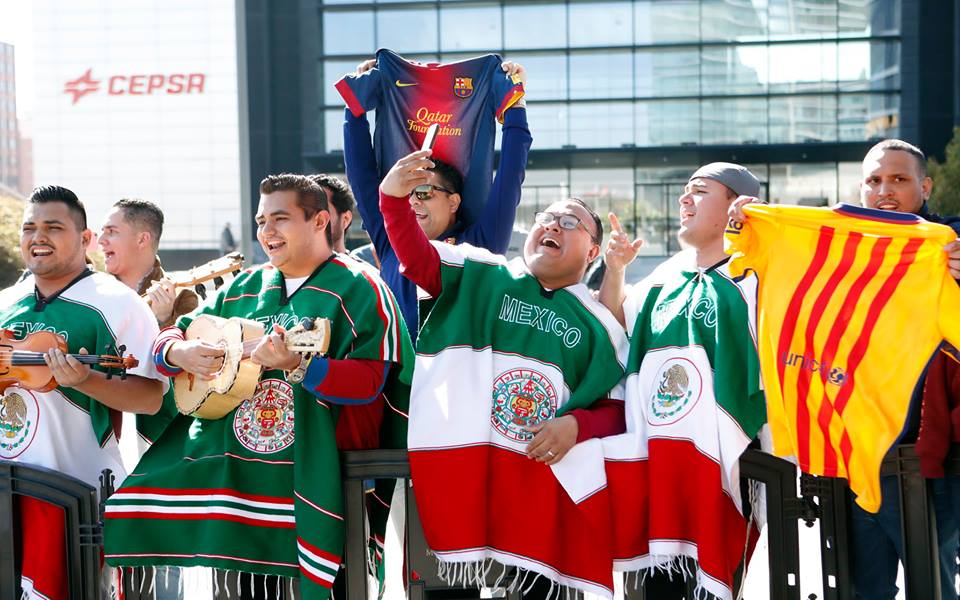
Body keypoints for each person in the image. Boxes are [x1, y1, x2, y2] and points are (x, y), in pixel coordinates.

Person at [102, 174, 412, 600]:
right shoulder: (247, 285)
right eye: (261, 220)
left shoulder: (360, 287)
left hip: (315, 475)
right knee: (128, 510)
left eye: (280, 219)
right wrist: (180, 354)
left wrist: (302, 368)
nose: (266, 231)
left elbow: (372, 382)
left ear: (321, 221)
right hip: (229, 473)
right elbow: (170, 340)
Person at [380, 150, 628, 598]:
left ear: (593, 250)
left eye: (569, 222)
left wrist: (577, 424)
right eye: (545, 217)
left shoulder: (603, 326)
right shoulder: (481, 271)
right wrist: (392, 202)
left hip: (544, 501)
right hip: (465, 483)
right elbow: (416, 260)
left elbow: (619, 409)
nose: (551, 225)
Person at [728, 139, 960, 600]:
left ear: (925, 186)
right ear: (861, 187)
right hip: (844, 453)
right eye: (874, 180)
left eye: (899, 179)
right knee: (858, 588)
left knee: (933, 586)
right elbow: (758, 268)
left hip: (924, 459)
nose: (885, 190)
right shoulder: (829, 243)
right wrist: (749, 223)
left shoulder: (943, 246)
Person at [598, 163, 766, 599]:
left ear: (735, 204)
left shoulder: (757, 272)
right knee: (662, 588)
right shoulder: (662, 280)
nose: (684, 200)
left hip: (728, 466)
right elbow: (615, 331)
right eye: (684, 192)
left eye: (699, 191)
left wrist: (762, 233)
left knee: (720, 582)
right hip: (662, 470)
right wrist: (614, 269)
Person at [0, 185, 166, 600]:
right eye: (30, 227)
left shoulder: (118, 303)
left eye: (54, 227)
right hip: (6, 488)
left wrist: (85, 380)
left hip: (72, 488)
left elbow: (149, 397)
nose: (38, 237)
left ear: (86, 239)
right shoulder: (6, 301)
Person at [343, 60, 532, 340]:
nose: (412, 203)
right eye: (406, 194)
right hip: (396, 380)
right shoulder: (388, 239)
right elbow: (361, 176)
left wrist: (515, 104)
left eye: (424, 193)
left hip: (456, 378)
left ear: (454, 202)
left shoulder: (481, 244)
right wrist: (355, 110)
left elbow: (510, 175)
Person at [308, 174, 355, 255]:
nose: (310, 219)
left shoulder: (360, 268)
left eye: (320, 212)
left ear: (345, 219)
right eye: (305, 212)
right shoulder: (282, 266)